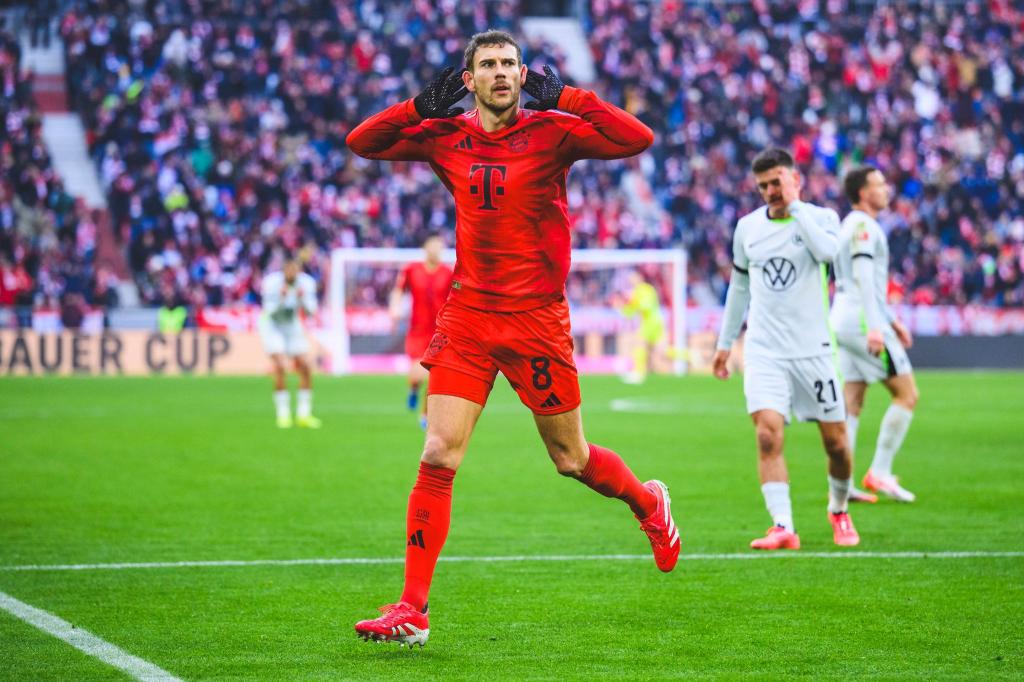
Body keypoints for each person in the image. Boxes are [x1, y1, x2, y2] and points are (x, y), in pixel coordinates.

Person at [347, 29, 680, 648]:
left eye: (509, 64)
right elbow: (361, 142)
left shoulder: (553, 132)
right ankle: (412, 610)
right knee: (438, 453)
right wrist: (418, 106)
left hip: (536, 319)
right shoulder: (446, 137)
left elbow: (639, 138)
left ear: (524, 75)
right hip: (469, 314)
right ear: (467, 79)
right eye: (487, 65)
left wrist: (573, 97)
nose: (500, 73)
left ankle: (647, 502)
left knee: (571, 460)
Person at [712, 148, 859, 551]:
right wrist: (725, 344)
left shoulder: (822, 219)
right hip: (765, 350)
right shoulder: (747, 228)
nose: (770, 191)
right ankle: (783, 526)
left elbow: (828, 254)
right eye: (763, 186)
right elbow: (739, 288)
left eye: (777, 182)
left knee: (837, 444)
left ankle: (839, 507)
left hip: (814, 350)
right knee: (767, 435)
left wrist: (796, 208)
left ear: (796, 179)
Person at [831, 166, 919, 502]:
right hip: (861, 321)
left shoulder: (848, 225)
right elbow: (865, 279)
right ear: (863, 192)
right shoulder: (864, 227)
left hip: (844, 315)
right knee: (907, 394)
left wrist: (891, 319)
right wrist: (878, 327)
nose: (886, 190)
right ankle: (880, 472)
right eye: (879, 184)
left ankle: (843, 484)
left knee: (853, 401)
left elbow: (857, 281)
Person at [388, 232, 454, 429]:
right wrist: (395, 307)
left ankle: (425, 414)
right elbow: (398, 290)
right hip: (417, 331)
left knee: (434, 375)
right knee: (417, 374)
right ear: (426, 248)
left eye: (440, 247)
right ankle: (413, 389)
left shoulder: (448, 272)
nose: (437, 250)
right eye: (434, 246)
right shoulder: (412, 270)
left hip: (440, 332)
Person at [258, 256, 321, 429]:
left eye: (295, 269)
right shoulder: (271, 283)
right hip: (272, 326)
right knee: (280, 366)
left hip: (292, 324)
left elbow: (310, 313)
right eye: (289, 269)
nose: (292, 273)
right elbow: (269, 312)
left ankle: (303, 414)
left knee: (306, 366)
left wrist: (300, 299)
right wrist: (281, 298)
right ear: (283, 269)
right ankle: (283, 415)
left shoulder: (307, 283)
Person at [618, 270, 668, 384]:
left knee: (639, 344)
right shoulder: (636, 291)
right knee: (659, 351)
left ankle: (638, 373)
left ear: (639, 277)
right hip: (649, 321)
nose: (630, 279)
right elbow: (632, 309)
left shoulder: (646, 289)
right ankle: (690, 356)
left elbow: (646, 305)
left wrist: (631, 305)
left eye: (633, 276)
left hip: (652, 321)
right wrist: (624, 310)